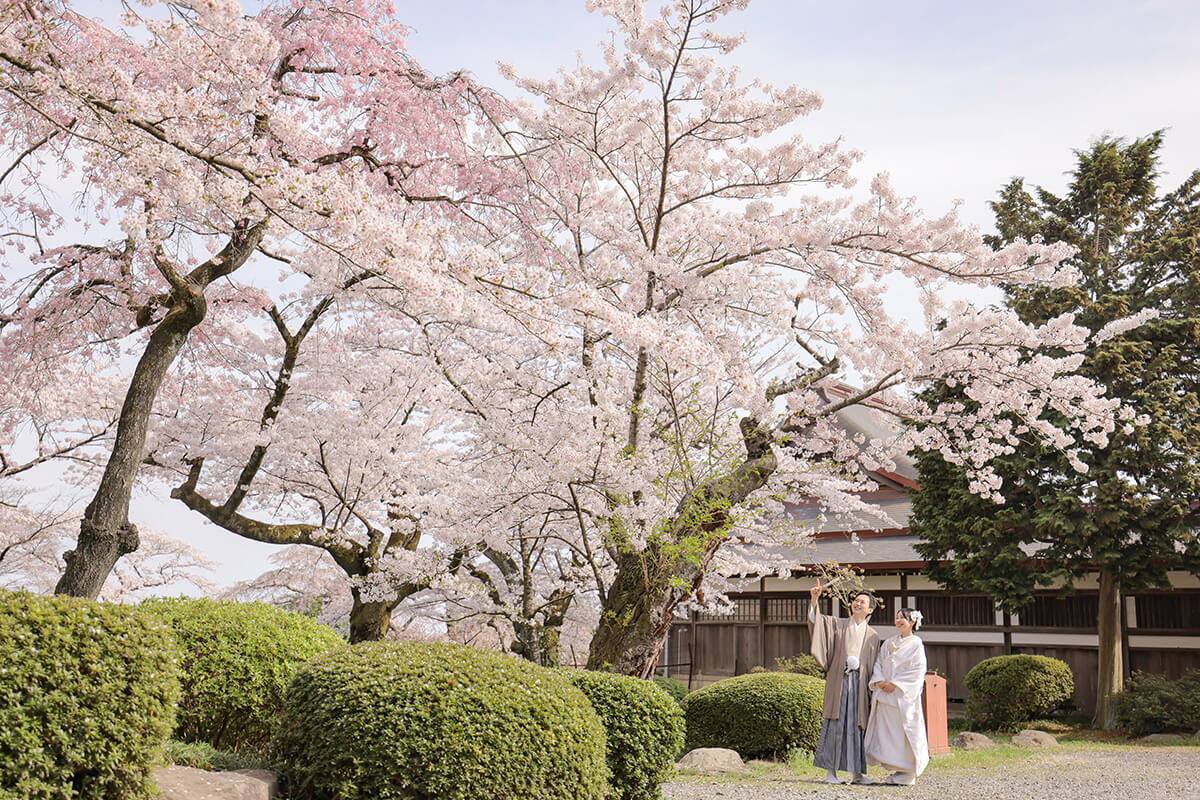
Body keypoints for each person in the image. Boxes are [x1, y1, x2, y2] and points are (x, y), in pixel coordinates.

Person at [808, 581, 882, 785]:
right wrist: (815, 600)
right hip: (840, 682)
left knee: (857, 727)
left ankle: (857, 774)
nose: (857, 604)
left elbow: (875, 665)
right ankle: (830, 772)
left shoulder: (873, 636)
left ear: (870, 609)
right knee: (835, 724)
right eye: (856, 601)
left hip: (860, 685)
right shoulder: (837, 625)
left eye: (862, 602)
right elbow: (817, 624)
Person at [864, 607, 930, 786]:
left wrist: (896, 684)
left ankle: (907, 772)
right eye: (897, 617)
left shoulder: (916, 643)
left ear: (912, 622)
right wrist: (880, 681)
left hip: (902, 696)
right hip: (886, 695)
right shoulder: (889, 642)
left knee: (904, 732)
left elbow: (917, 670)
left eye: (904, 618)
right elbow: (878, 662)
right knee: (887, 733)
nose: (899, 621)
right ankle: (897, 770)